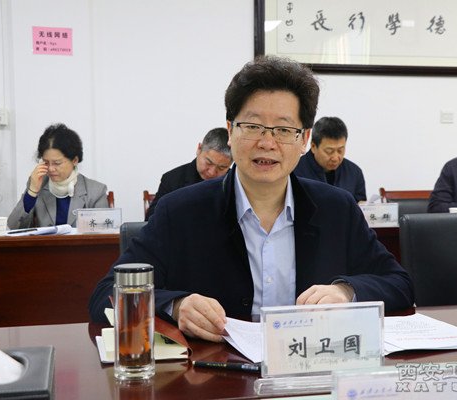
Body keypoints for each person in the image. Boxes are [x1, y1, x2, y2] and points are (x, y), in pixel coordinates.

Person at [88, 56, 414, 342]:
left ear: (304, 140)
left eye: (283, 130)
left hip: (311, 373)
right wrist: (176, 306)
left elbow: (399, 284)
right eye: (253, 126)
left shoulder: (337, 208)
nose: (267, 142)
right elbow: (106, 295)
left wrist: (346, 292)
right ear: (230, 131)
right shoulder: (179, 210)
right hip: (214, 376)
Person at [8, 123, 109, 229]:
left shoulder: (95, 191)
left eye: (57, 163)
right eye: (46, 163)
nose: (51, 169)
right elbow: (14, 227)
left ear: (75, 160)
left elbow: (103, 232)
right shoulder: (38, 183)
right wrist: (32, 192)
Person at [145, 128, 232, 220]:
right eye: (208, 163)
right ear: (199, 149)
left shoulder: (236, 182)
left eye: (221, 168)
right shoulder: (172, 179)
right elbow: (151, 221)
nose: (212, 172)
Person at [293, 116, 366, 203]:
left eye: (340, 150)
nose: (335, 158)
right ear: (313, 146)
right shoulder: (295, 171)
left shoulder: (354, 173)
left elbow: (361, 206)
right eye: (329, 151)